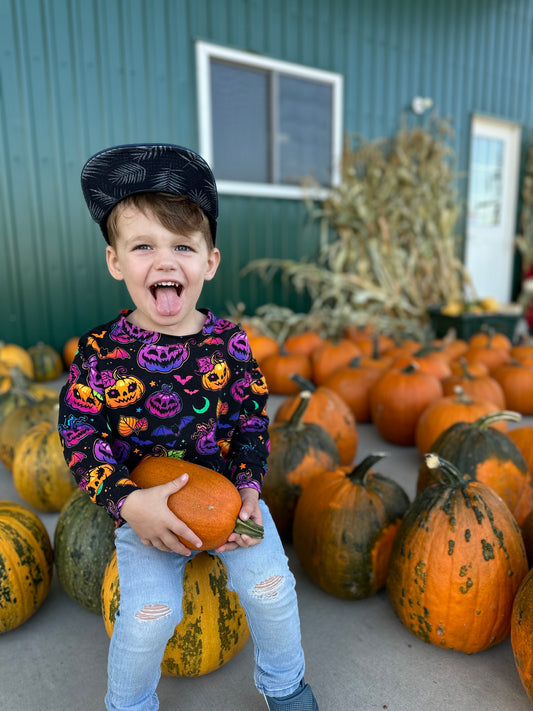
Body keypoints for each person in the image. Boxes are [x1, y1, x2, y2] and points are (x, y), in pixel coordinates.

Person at [58, 143, 319, 711]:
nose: (165, 261)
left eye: (182, 245)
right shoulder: (101, 354)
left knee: (271, 587)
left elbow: (251, 421)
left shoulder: (230, 343)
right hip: (146, 506)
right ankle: (128, 703)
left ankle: (285, 683)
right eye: (143, 246)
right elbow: (81, 437)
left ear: (210, 261)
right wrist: (128, 504)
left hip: (229, 499)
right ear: (115, 261)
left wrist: (248, 488)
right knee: (151, 615)